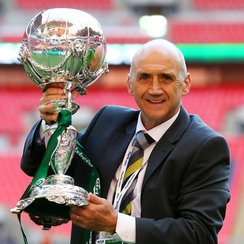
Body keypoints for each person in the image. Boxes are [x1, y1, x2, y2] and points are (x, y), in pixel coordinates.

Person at [21, 39, 231, 244]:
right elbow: (43, 168)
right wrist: (49, 124)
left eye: (166, 78)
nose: (154, 89)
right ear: (130, 84)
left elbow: (200, 234)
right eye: (144, 77)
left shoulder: (205, 146)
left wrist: (116, 223)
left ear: (186, 84)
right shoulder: (107, 121)